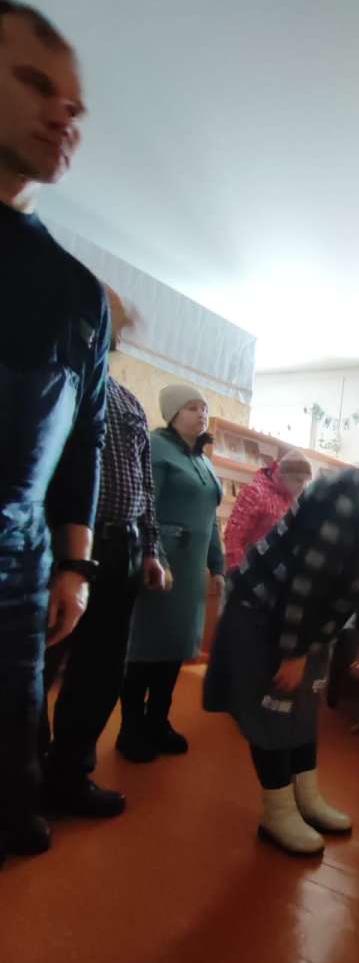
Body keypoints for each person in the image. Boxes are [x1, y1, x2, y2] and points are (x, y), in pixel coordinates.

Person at [204, 437, 359, 854]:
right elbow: (306, 581)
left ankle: (306, 798)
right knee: (275, 709)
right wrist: (294, 652)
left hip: (305, 621)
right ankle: (278, 812)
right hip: (264, 609)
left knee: (304, 708)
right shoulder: (342, 498)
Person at [0, 0, 108, 858]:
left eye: (74, 104)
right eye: (36, 83)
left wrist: (73, 565)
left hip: (19, 572)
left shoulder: (77, 291)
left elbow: (84, 437)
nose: (63, 114)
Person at [39, 290, 167, 817]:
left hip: (122, 550)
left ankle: (69, 776)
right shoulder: (52, 381)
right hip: (59, 548)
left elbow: (145, 486)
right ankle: (24, 778)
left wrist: (152, 550)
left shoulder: (128, 401)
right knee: (38, 667)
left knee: (100, 672)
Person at [118, 384, 225, 761]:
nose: (201, 414)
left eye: (204, 408)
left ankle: (157, 722)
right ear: (173, 413)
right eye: (192, 407)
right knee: (144, 648)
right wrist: (157, 556)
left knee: (174, 648)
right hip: (159, 566)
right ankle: (130, 729)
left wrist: (217, 565)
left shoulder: (203, 460)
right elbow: (143, 507)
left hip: (191, 572)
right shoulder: (156, 448)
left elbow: (210, 520)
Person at [224, 449, 311, 571]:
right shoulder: (254, 492)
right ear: (284, 475)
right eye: (299, 480)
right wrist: (239, 572)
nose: (302, 486)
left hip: (275, 573)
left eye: (305, 481)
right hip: (251, 571)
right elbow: (234, 536)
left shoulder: (292, 500)